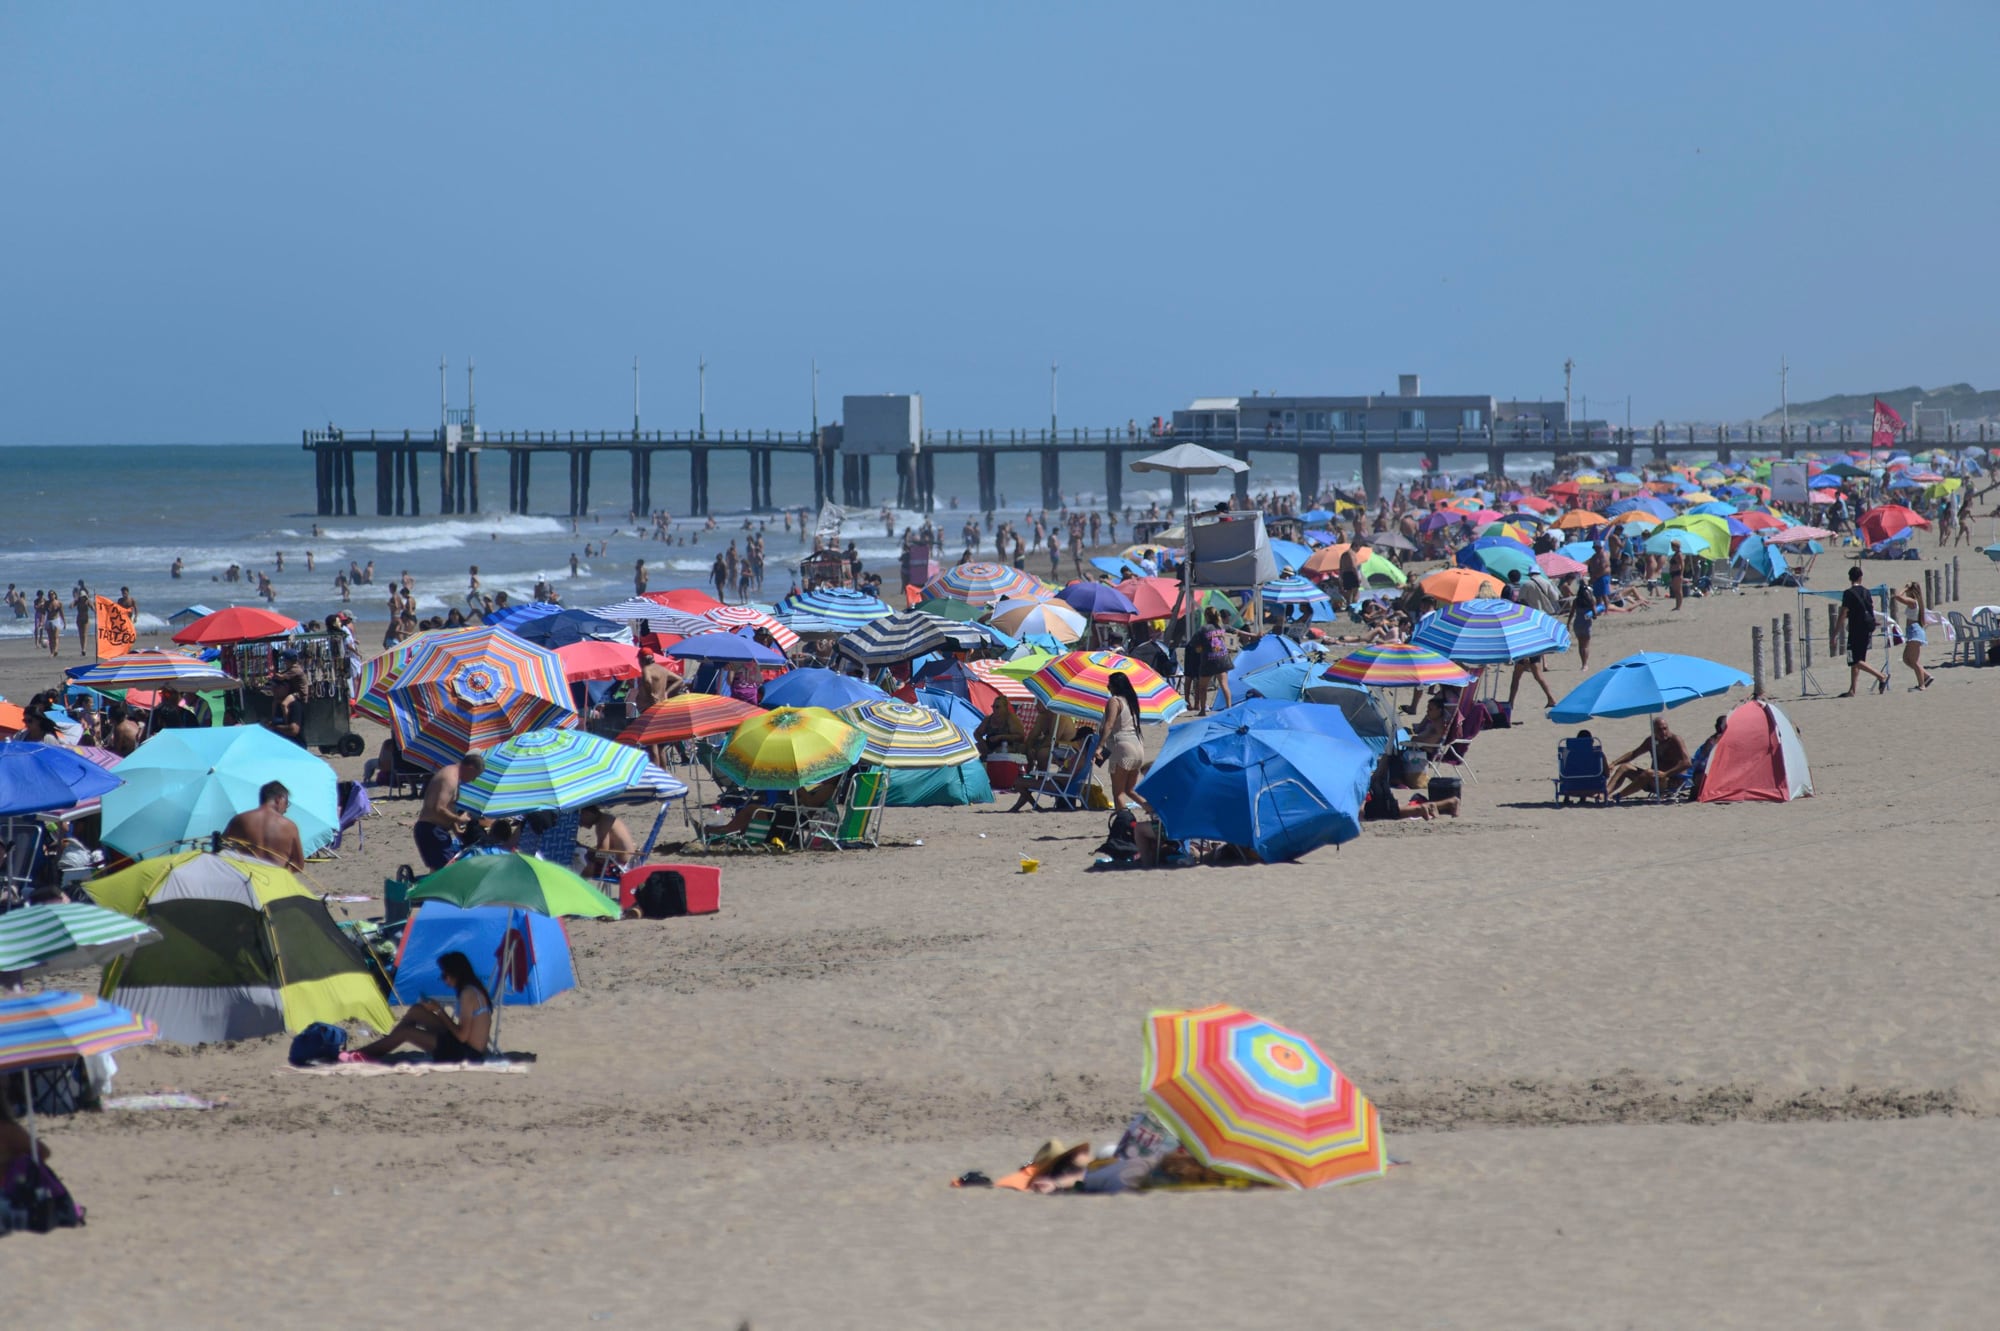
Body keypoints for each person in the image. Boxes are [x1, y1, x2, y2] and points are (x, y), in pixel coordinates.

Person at [350, 951, 492, 1064]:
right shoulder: (472, 989)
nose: (443, 979)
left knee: (406, 1033)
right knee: (418, 1010)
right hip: (465, 1048)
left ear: (456, 973)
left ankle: (360, 1055)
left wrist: (439, 1010)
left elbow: (462, 1036)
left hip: (467, 1055)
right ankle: (388, 1042)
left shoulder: (468, 994)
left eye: (445, 975)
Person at [415, 753, 484, 870]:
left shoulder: (455, 777)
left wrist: (457, 830)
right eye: (475, 776)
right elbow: (439, 808)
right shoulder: (450, 778)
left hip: (437, 831)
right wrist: (459, 819)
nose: (473, 780)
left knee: (443, 869)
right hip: (431, 830)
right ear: (470, 768)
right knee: (445, 870)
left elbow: (448, 807)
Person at [222, 780, 306, 872]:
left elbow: (222, 851)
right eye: (287, 803)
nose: (286, 810)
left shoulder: (239, 820)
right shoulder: (289, 826)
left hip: (248, 879)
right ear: (279, 799)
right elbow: (298, 865)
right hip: (277, 880)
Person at [1832, 565, 1889, 697]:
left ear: (1850, 578)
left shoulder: (1848, 593)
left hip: (1855, 629)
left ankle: (1881, 676)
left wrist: (1834, 634)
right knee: (1858, 659)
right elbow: (1870, 609)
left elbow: (1843, 614)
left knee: (1855, 660)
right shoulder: (1866, 592)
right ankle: (1852, 689)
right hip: (1867, 628)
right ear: (1861, 577)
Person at [1097, 671, 1148, 810]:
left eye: (1109, 684)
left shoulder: (1115, 701)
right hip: (1138, 747)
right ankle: (1152, 809)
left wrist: (1100, 746)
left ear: (1114, 686)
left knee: (1118, 792)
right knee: (1129, 790)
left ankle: (1124, 824)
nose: (1108, 687)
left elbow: (1109, 724)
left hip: (1122, 747)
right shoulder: (1131, 702)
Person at [1607, 716, 1691, 800]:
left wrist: (1666, 774)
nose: (1663, 732)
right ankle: (1605, 793)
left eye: (1665, 728)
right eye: (1659, 730)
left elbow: (1687, 762)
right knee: (1624, 767)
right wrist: (1615, 763)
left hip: (1672, 780)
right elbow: (1634, 753)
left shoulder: (1675, 740)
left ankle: (1618, 796)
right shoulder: (1650, 741)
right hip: (1653, 779)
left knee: (1648, 773)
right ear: (1653, 731)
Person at [1889, 580, 1935, 691]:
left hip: (1915, 632)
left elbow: (1897, 597)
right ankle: (1926, 676)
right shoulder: (1917, 602)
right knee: (1906, 659)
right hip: (1912, 632)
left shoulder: (1913, 601)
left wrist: (1904, 588)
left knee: (1913, 661)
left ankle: (1922, 685)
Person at [577, 804, 636, 877]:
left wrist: (585, 851)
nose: (580, 824)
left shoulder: (603, 823)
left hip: (622, 868)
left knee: (581, 866)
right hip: (629, 864)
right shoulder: (607, 819)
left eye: (580, 819)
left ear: (587, 814)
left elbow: (602, 855)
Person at [1666, 542, 1687, 611]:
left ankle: (1678, 606)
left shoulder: (1679, 554)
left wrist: (1681, 574)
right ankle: (1677, 606)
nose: (1672, 548)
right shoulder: (1675, 554)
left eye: (1673, 546)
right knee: (1675, 590)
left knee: (1678, 590)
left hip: (1677, 573)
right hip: (1673, 573)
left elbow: (1682, 564)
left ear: (1676, 546)